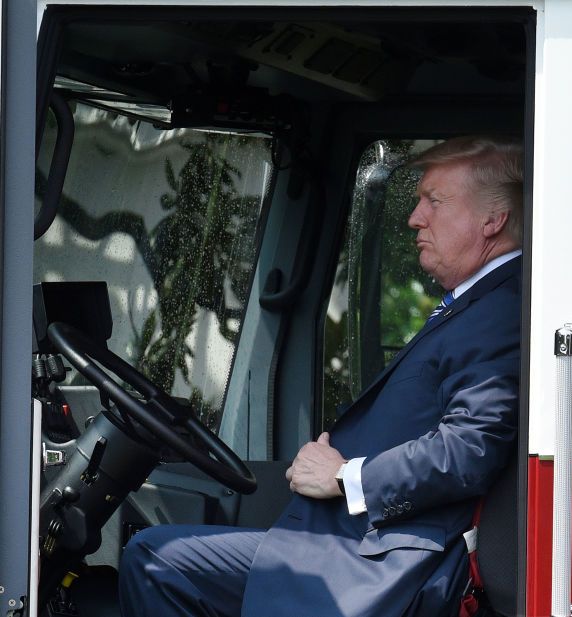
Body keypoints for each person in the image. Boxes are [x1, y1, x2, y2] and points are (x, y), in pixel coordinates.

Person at [119, 135, 524, 617]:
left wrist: (346, 476)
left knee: (154, 560)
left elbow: (469, 449)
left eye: (434, 201)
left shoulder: (499, 309)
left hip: (378, 563)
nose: (415, 217)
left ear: (492, 220)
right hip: (351, 542)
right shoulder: (478, 302)